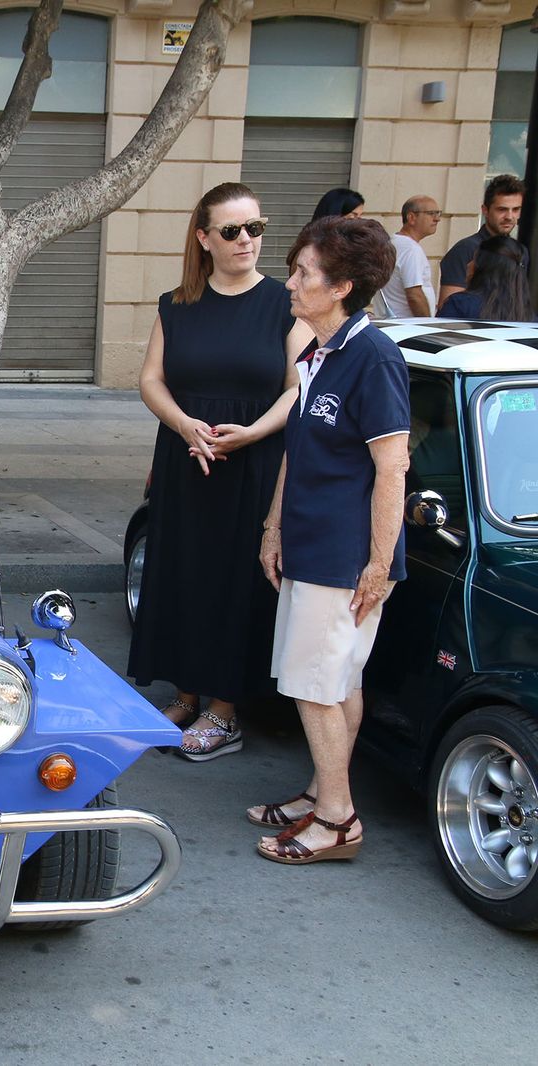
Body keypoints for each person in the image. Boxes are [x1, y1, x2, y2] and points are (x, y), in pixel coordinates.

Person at [128, 182, 312, 760]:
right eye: (232, 230)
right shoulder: (177, 303)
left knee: (236, 584)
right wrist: (185, 424)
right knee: (184, 574)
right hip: (186, 461)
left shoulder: (284, 303)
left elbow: (299, 388)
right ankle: (186, 693)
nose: (246, 240)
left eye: (255, 227)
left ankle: (225, 711)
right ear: (205, 238)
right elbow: (151, 379)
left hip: (253, 465)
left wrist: (253, 432)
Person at [251, 216, 409, 865]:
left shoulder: (374, 358)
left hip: (343, 557)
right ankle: (322, 793)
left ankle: (338, 820)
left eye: (303, 273)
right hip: (310, 544)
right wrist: (273, 526)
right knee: (337, 680)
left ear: (341, 287)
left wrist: (378, 564)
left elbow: (392, 468)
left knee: (315, 685)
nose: (290, 282)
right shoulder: (317, 353)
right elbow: (299, 449)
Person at [439, 174, 527, 311]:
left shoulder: (521, 252)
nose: (510, 217)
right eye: (502, 209)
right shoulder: (466, 249)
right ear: (485, 210)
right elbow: (449, 307)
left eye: (516, 209)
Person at [439, 235, 535, 320]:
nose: (468, 265)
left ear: (484, 268)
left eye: (474, 259)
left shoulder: (459, 304)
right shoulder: (529, 315)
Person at [373, 196, 440, 318]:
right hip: (408, 325)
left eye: (438, 213)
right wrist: (426, 324)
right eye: (431, 213)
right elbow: (414, 295)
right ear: (411, 217)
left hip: (392, 323)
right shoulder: (410, 249)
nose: (437, 219)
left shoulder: (394, 243)